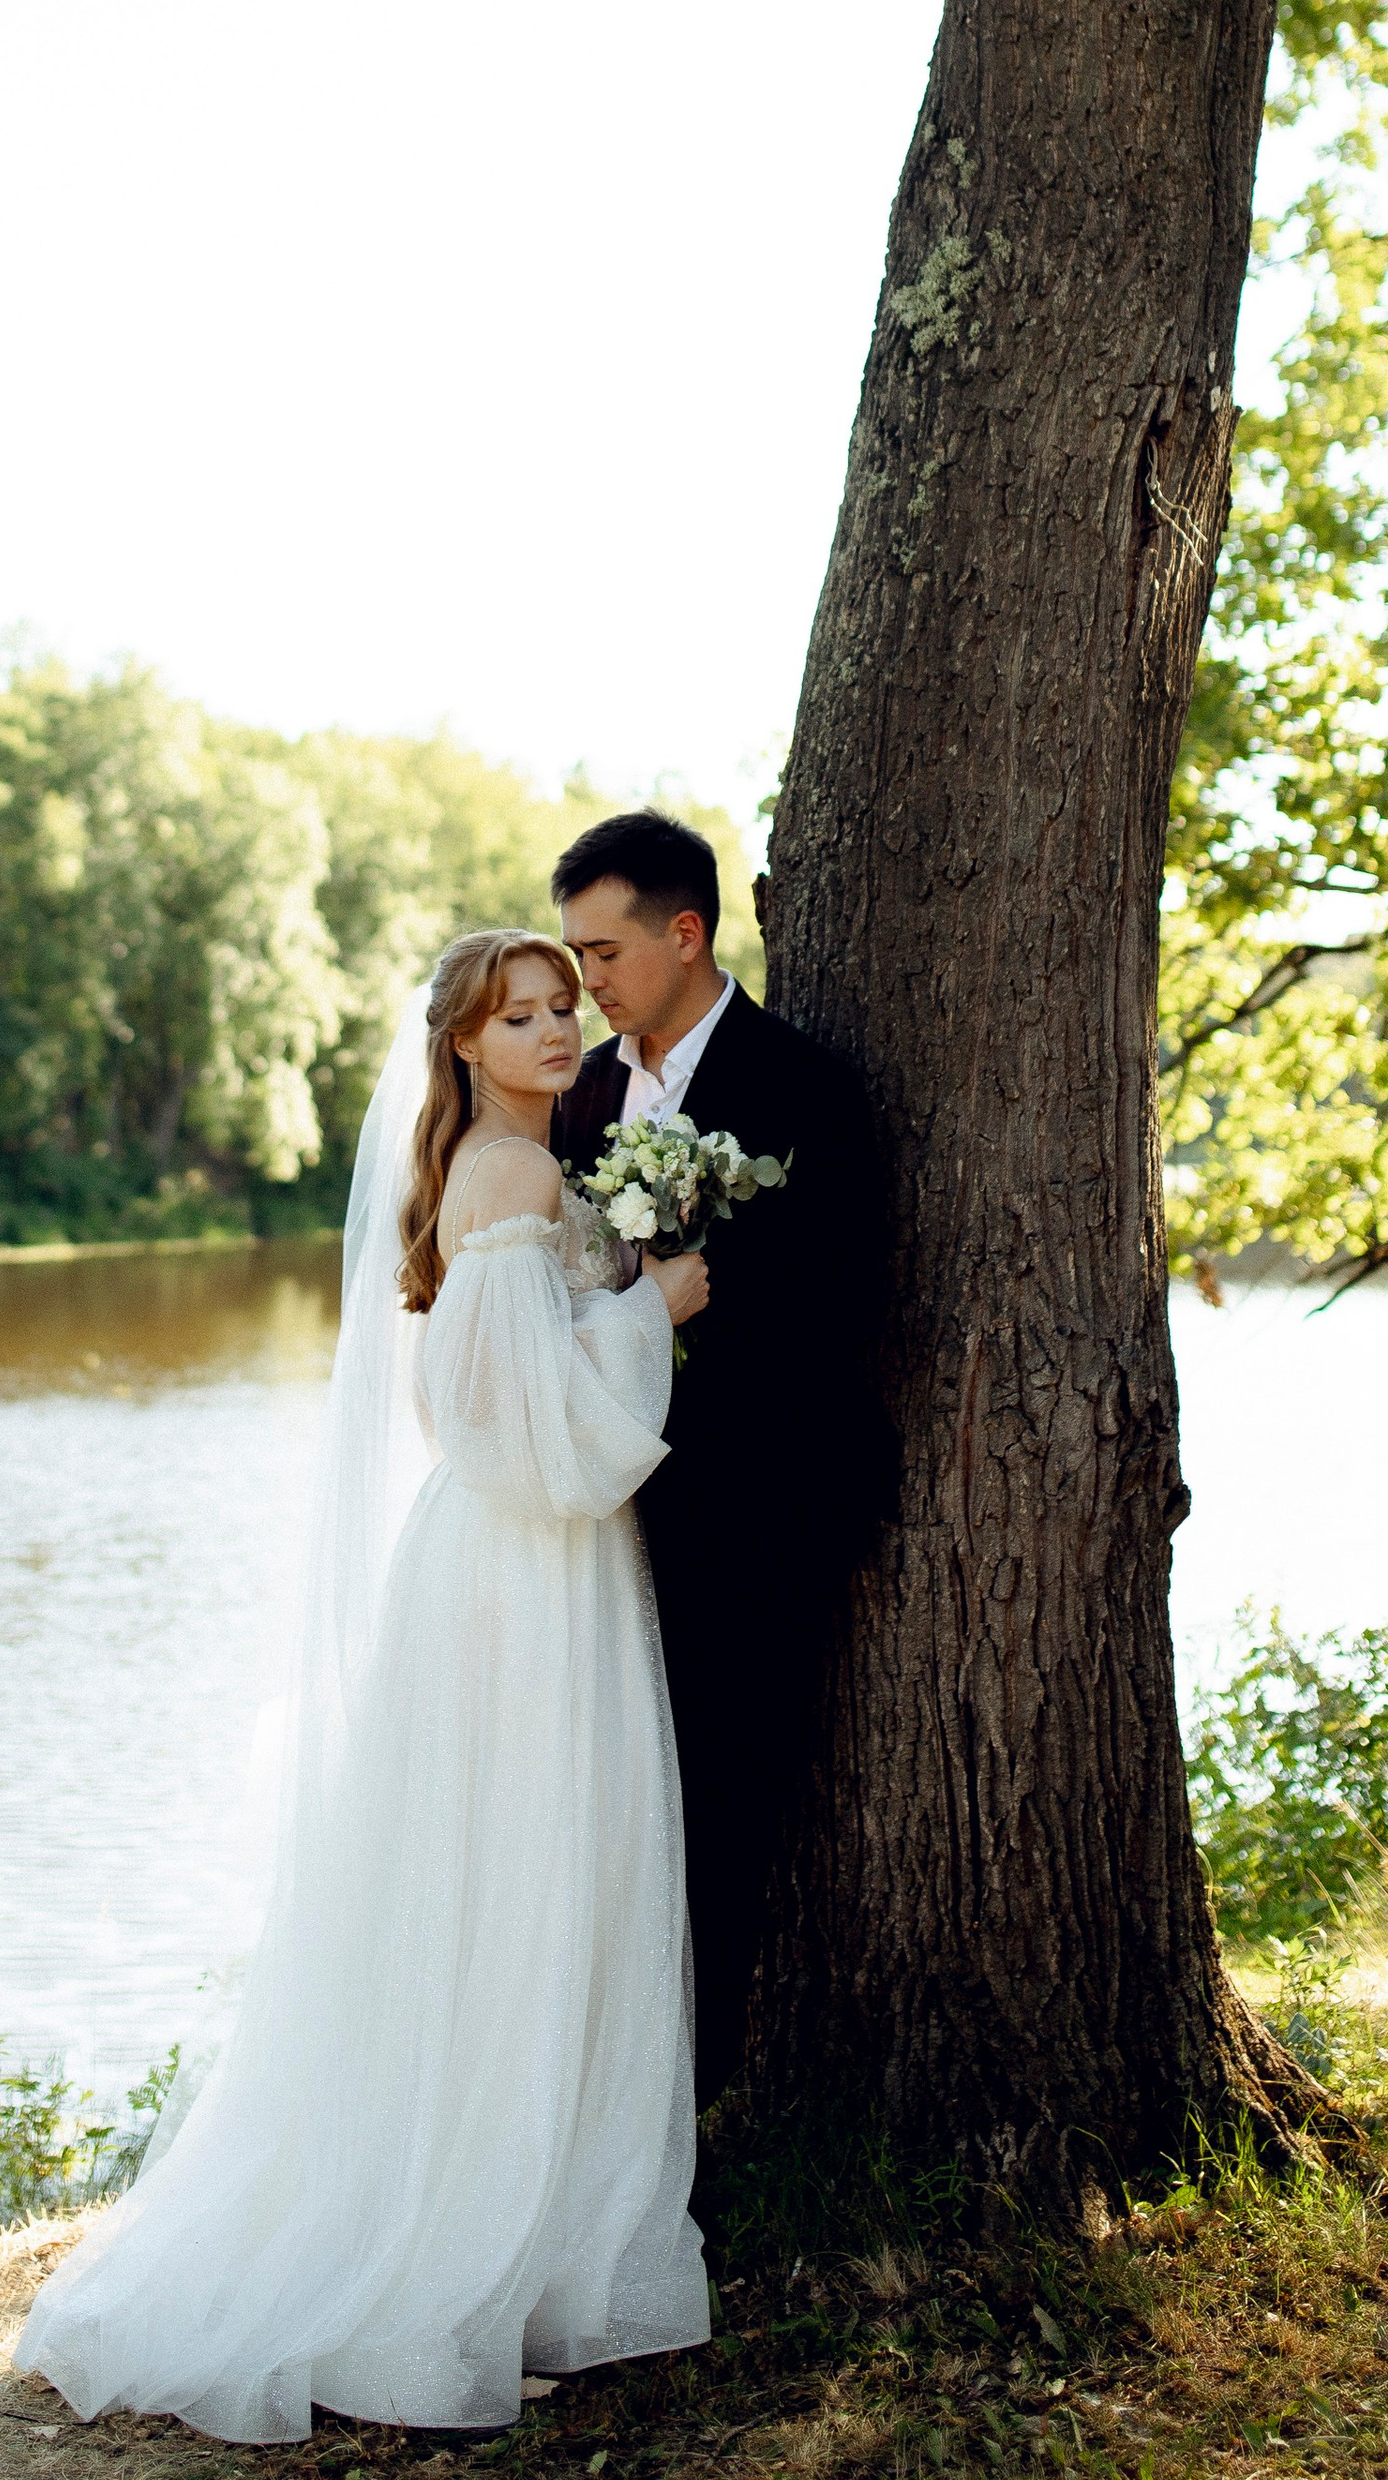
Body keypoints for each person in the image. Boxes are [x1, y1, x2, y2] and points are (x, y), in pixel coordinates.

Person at [13, 929, 715, 2442]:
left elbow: (475, 1383)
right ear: (462, 1044)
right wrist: (655, 1308)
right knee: (528, 1879)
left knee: (505, 1882)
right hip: (526, 1570)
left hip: (513, 1564)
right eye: (515, 1017)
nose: (548, 1031)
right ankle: (475, 2255)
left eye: (557, 1009)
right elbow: (500, 1418)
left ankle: (524, 2234)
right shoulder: (512, 1183)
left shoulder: (508, 1170)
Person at [553, 807, 886, 2114]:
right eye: (577, 956)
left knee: (720, 1818)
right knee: (603, 1817)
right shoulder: (573, 1097)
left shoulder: (803, 1087)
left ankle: (691, 2123)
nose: (588, 982)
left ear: (685, 934)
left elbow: (837, 1292)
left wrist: (700, 1301)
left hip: (755, 1516)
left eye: (605, 952)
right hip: (598, 1516)